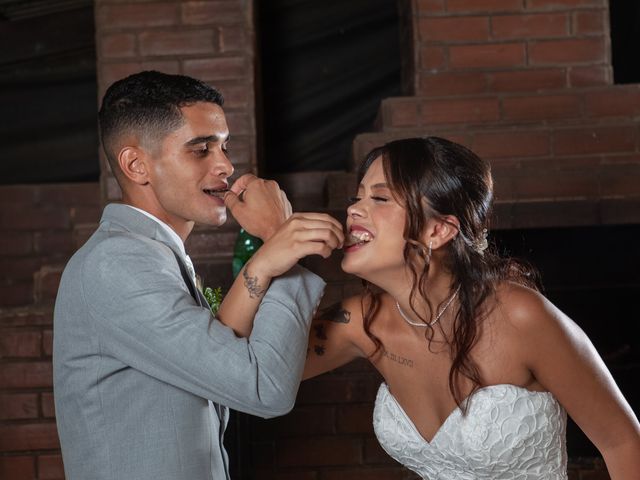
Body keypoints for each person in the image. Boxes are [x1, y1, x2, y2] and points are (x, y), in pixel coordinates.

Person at [53, 70, 344, 480]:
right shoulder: (116, 264)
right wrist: (279, 239)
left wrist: (271, 254)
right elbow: (264, 387)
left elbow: (222, 359)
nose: (225, 166)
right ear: (137, 165)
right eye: (201, 149)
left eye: (224, 147)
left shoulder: (153, 255)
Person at [301, 137, 640, 479]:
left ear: (438, 230)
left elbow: (623, 443)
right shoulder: (362, 321)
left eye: (379, 198)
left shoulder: (519, 315)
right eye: (356, 197)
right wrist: (277, 247)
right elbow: (259, 372)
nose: (354, 209)